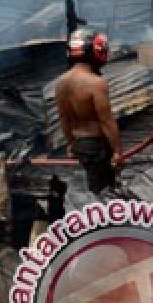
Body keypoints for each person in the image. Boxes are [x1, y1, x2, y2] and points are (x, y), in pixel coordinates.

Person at [55, 29, 123, 194]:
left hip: (80, 144)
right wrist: (117, 151)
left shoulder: (60, 83)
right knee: (103, 192)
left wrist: (70, 144)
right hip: (97, 146)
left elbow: (64, 118)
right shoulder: (96, 83)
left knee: (94, 185)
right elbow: (106, 121)